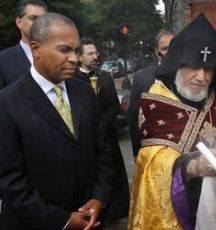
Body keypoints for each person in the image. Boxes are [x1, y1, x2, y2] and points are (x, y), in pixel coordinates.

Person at [0, 13, 113, 229]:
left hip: (91, 219)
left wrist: (99, 198)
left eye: (77, 51)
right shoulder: (6, 104)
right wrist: (63, 220)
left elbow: (104, 152)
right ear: (36, 49)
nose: (74, 58)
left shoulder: (85, 93)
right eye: (64, 50)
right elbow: (9, 182)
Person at [128, 13, 216, 230]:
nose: (201, 77)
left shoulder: (214, 100)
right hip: (174, 208)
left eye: (208, 69)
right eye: (194, 67)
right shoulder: (157, 100)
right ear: (178, 64)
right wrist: (193, 167)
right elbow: (152, 159)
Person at [76, 37, 130, 229]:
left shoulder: (105, 77)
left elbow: (114, 106)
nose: (95, 56)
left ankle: (115, 215)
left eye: (95, 53)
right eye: (90, 53)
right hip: (84, 140)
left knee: (113, 177)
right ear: (79, 56)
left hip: (107, 137)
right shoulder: (72, 79)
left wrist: (102, 124)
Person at [128, 29, 174, 157]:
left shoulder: (188, 75)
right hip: (153, 151)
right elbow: (133, 118)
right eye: (165, 49)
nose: (169, 52)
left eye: (173, 47)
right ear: (156, 51)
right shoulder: (141, 78)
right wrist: (137, 153)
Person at [0, 0, 47, 89]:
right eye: (33, 18)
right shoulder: (2, 61)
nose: (40, 23)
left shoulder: (60, 56)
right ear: (19, 22)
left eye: (44, 19)